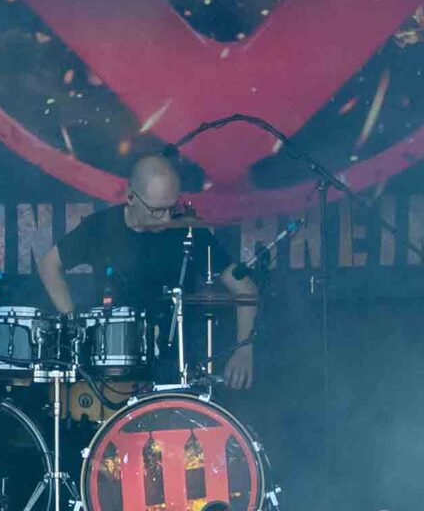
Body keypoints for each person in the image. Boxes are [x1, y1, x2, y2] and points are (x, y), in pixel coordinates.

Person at [35, 151, 259, 389]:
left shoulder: (189, 231)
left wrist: (244, 349)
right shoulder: (100, 227)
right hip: (112, 370)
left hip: (176, 367)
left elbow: (245, 288)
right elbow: (49, 265)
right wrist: (73, 322)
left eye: (172, 207)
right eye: (157, 210)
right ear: (130, 196)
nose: (166, 218)